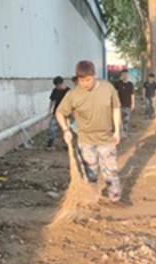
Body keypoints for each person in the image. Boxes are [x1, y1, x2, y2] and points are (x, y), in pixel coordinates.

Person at [56, 60, 123, 205]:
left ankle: (115, 198)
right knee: (90, 173)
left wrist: (117, 131)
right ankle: (92, 200)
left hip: (106, 138)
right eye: (81, 80)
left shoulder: (107, 88)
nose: (85, 83)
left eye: (88, 79)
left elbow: (116, 108)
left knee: (111, 171)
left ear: (94, 75)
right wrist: (66, 130)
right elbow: (60, 113)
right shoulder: (73, 95)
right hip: (85, 140)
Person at [46, 76, 70, 150]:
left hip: (66, 113)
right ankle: (51, 142)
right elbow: (52, 101)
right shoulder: (55, 90)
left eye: (58, 85)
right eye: (56, 86)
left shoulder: (69, 91)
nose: (57, 87)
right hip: (56, 112)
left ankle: (66, 143)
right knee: (52, 127)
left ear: (62, 84)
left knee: (65, 129)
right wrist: (49, 111)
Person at [114, 69, 135, 138]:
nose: (125, 76)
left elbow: (132, 95)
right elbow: (115, 93)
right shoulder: (117, 84)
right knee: (119, 119)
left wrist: (133, 103)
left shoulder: (130, 85)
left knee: (126, 119)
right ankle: (120, 132)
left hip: (127, 104)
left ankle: (125, 132)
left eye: (126, 75)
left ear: (128, 76)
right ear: (121, 75)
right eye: (123, 75)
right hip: (119, 105)